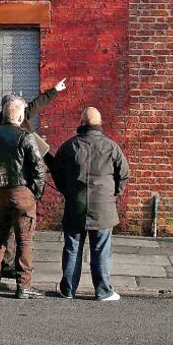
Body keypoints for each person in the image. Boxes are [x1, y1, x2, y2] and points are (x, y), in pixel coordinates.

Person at [53, 107, 130, 302]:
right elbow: (124, 174)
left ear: (82, 122)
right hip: (103, 207)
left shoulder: (69, 146)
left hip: (75, 205)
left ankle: (68, 289)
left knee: (72, 247)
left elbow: (57, 172)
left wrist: (67, 191)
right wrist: (114, 194)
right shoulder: (111, 147)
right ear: (100, 123)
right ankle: (103, 291)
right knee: (101, 249)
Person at [0, 79, 67, 278]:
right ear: (12, 110)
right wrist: (36, 189)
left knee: (10, 229)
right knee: (16, 230)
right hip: (18, 185)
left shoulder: (16, 121)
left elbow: (37, 104)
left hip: (10, 185)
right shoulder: (2, 131)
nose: (25, 110)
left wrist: (55, 90)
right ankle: (12, 269)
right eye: (21, 107)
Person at [0, 98, 47, 299]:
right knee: (24, 240)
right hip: (22, 192)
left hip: (0, 192)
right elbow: (39, 169)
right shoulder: (24, 137)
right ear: (18, 116)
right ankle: (23, 286)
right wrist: (36, 193)